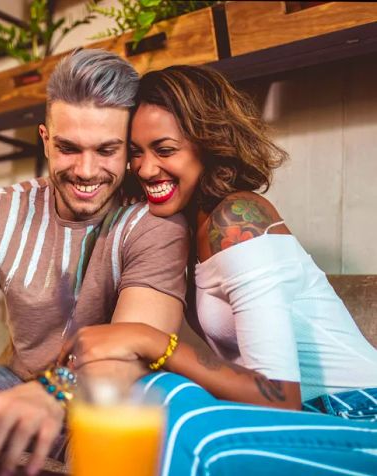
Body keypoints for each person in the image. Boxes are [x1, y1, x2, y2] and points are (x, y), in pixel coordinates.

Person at [62, 65, 377, 475]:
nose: (145, 169)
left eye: (165, 150)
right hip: (308, 417)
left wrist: (151, 341)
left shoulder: (238, 218)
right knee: (149, 395)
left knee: (192, 430)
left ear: (207, 146)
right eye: (136, 152)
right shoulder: (183, 228)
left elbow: (279, 399)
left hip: (355, 412)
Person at [0, 49, 190, 476]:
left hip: (107, 399)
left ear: (128, 148)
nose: (85, 170)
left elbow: (125, 352)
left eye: (106, 150)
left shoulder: (154, 227)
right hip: (15, 385)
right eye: (67, 148)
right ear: (44, 138)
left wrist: (53, 393)